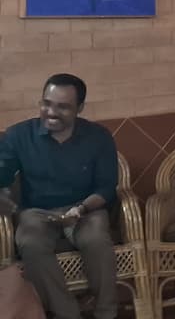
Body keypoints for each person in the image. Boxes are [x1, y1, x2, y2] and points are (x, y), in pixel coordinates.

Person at [0, 74, 119, 319]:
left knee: (97, 240)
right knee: (30, 242)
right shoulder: (18, 135)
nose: (51, 112)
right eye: (47, 103)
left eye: (63, 107)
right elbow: (3, 173)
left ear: (79, 108)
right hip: (37, 212)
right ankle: (67, 314)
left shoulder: (98, 137)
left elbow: (106, 188)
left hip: (85, 209)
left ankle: (106, 313)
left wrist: (82, 209)